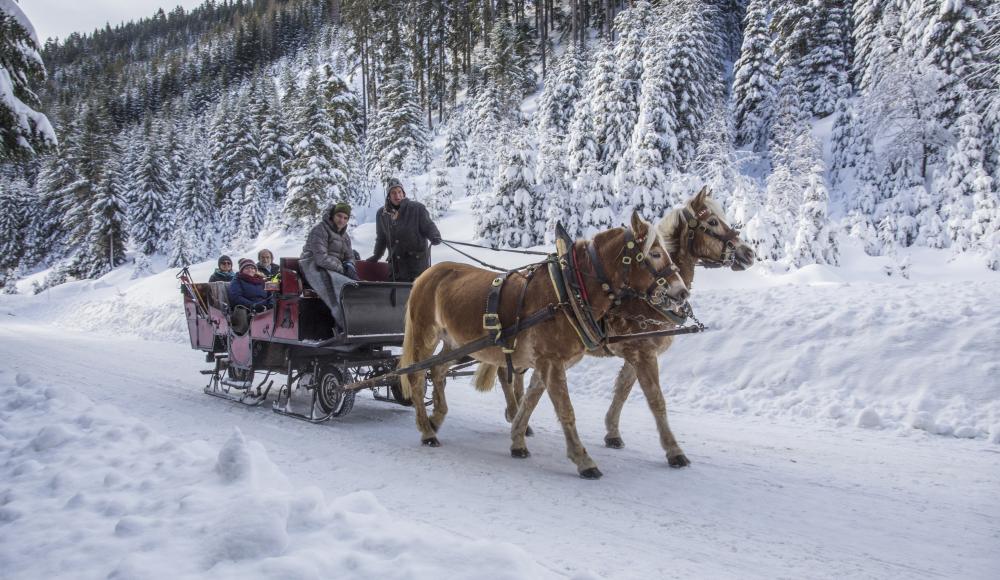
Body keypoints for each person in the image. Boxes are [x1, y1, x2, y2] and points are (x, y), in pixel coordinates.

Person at [367, 177, 442, 282]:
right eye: (393, 193)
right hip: (396, 268)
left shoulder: (417, 208)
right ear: (388, 196)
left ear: (403, 193)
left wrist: (435, 235)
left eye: (399, 192)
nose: (397, 195)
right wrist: (376, 255)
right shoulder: (382, 214)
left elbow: (428, 225)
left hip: (417, 266)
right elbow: (381, 238)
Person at [299, 203, 359, 331]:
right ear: (332, 215)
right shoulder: (319, 230)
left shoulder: (345, 236)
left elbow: (350, 255)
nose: (341, 220)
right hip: (312, 264)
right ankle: (343, 324)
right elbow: (320, 258)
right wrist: (343, 269)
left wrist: (350, 266)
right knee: (337, 285)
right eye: (339, 216)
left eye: (345, 218)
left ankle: (358, 321)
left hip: (333, 267)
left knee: (354, 286)